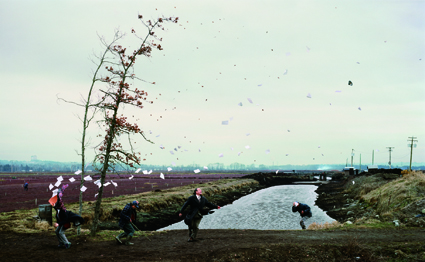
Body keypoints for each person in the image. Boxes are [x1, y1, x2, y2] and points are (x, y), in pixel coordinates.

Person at [52, 184, 85, 249]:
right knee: (56, 231)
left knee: (61, 232)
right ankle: (61, 242)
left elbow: (65, 219)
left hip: (66, 223)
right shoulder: (57, 210)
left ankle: (67, 243)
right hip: (61, 223)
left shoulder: (62, 211)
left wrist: (58, 224)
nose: (53, 205)